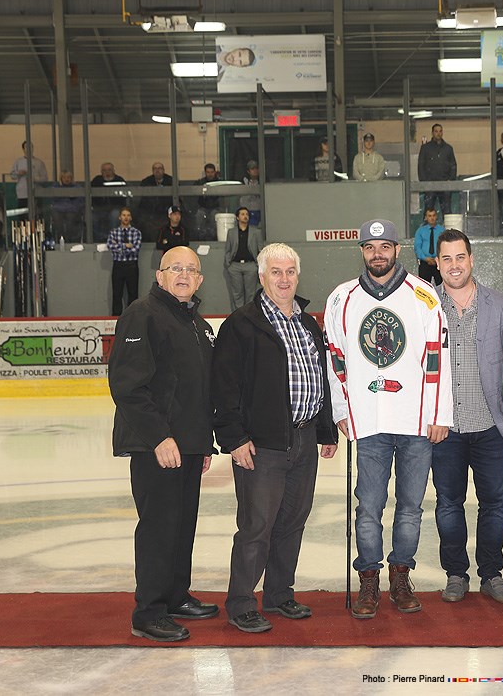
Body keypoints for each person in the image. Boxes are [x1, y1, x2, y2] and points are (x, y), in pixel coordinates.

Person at [323, 219, 453, 620]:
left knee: (411, 507)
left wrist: (438, 414)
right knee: (369, 507)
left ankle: (400, 575)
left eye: (385, 246)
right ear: (362, 251)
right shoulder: (341, 299)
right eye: (369, 247)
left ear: (398, 249)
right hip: (371, 423)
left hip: (416, 423)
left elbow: (438, 358)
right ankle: (369, 580)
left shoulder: (425, 295)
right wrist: (343, 411)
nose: (377, 253)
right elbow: (336, 359)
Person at [212, 242, 338, 633]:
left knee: (293, 520)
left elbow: (322, 380)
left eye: (290, 272)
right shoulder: (242, 324)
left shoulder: (307, 323)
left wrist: (325, 429)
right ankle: (241, 602)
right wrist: (233, 438)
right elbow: (223, 387)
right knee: (257, 524)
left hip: (302, 438)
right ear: (262, 277)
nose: (284, 279)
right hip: (262, 444)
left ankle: (280, 593)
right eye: (276, 272)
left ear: (297, 276)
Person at [108, 245, 218, 643]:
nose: (184, 275)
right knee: (158, 527)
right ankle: (149, 611)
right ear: (160, 275)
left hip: (187, 444)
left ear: (201, 279)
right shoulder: (144, 313)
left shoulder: (196, 323)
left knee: (182, 524)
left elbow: (199, 390)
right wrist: (159, 437)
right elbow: (127, 386)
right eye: (176, 268)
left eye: (192, 269)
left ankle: (174, 595)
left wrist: (202, 442)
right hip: (155, 445)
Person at [431, 228, 503, 604]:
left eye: (460, 257)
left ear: (471, 259)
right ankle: (455, 573)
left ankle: (491, 573)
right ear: (437, 263)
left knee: (494, 504)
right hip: (444, 429)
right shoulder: (425, 305)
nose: (454, 265)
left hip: (490, 427)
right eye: (446, 258)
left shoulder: (501, 305)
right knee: (449, 504)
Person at [223, 207, 266, 310]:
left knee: (251, 294)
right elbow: (228, 249)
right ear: (237, 217)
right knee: (237, 294)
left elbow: (261, 250)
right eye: (242, 214)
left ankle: (249, 316)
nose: (245, 216)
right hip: (235, 265)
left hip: (250, 265)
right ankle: (239, 316)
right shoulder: (231, 232)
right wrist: (228, 264)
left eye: (246, 214)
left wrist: (258, 265)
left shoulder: (256, 232)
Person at [106, 207, 142, 316]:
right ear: (119, 217)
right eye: (123, 215)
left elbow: (136, 249)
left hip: (132, 266)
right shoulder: (114, 232)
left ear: (130, 218)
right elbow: (110, 246)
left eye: (128, 215)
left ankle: (132, 318)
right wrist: (126, 245)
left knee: (133, 294)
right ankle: (115, 320)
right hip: (118, 266)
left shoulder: (136, 232)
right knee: (117, 294)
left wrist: (119, 247)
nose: (126, 217)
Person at [418, 123, 457, 214]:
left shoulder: (448, 148)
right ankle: (427, 228)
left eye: (440, 131)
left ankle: (448, 228)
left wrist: (451, 180)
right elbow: (421, 166)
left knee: (447, 212)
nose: (438, 133)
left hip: (445, 185)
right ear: (432, 133)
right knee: (428, 211)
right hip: (430, 185)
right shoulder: (426, 148)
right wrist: (424, 182)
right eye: (436, 131)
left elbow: (453, 165)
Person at [91, 162, 126, 243]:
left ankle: (112, 237)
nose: (107, 172)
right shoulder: (96, 181)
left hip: (115, 207)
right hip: (99, 208)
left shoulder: (119, 180)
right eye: (104, 170)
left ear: (113, 171)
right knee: (92, 217)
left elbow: (123, 197)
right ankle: (99, 239)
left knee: (115, 215)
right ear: (101, 172)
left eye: (109, 170)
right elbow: (92, 196)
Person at [139, 162, 174, 241]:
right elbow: (143, 201)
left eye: (159, 168)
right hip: (150, 211)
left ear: (163, 170)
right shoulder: (146, 182)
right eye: (155, 169)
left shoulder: (171, 181)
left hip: (166, 210)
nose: (157, 170)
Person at [9, 141, 48, 213]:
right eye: (26, 147)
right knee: (23, 214)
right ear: (23, 149)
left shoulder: (39, 162)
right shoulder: (18, 162)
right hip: (22, 193)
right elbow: (12, 175)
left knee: (37, 214)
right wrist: (19, 173)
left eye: (30, 147)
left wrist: (35, 179)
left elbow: (45, 178)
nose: (29, 149)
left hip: (36, 193)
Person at [414, 207, 445, 285]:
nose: (432, 218)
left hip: (439, 262)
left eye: (434, 215)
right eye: (429, 216)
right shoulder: (420, 231)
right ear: (426, 217)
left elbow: (445, 247)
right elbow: (417, 247)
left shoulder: (442, 231)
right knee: (424, 286)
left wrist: (437, 258)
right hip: (425, 263)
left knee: (441, 285)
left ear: (436, 217)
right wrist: (425, 258)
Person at [193, 163, 221, 240]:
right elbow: (194, 190)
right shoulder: (200, 182)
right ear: (205, 173)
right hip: (203, 207)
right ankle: (201, 238)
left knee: (214, 215)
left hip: (216, 207)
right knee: (199, 214)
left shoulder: (219, 183)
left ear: (215, 172)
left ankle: (214, 237)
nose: (210, 174)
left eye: (212, 172)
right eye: (208, 172)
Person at [239, 161, 263, 226]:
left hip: (259, 211)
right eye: (252, 169)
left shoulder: (263, 180)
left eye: (256, 168)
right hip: (246, 210)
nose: (255, 171)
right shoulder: (243, 181)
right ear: (248, 171)